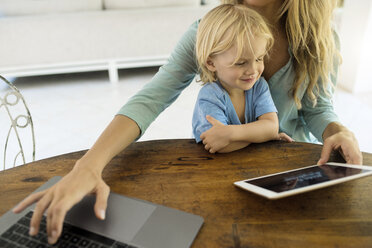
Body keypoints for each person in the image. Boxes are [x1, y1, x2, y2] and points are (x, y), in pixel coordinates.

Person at [13, 0, 363, 245]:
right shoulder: (208, 32)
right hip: (217, 170)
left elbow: (319, 108)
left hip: (288, 171)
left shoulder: (319, 38)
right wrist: (88, 166)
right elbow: (152, 98)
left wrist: (338, 130)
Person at [192, 4, 290, 153]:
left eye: (259, 59)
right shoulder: (210, 96)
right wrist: (262, 137)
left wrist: (231, 133)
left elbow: (271, 127)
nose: (253, 71)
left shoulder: (259, 86)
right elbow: (219, 146)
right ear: (211, 63)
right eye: (240, 63)